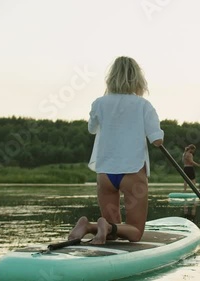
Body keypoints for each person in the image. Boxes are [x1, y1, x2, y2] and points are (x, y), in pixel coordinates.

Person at [68, 56, 164, 245]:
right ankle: (97, 227)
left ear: (111, 78)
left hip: (105, 173)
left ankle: (89, 226)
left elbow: (91, 128)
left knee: (113, 229)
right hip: (133, 172)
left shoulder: (99, 103)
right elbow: (157, 140)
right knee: (135, 233)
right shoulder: (143, 105)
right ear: (138, 79)